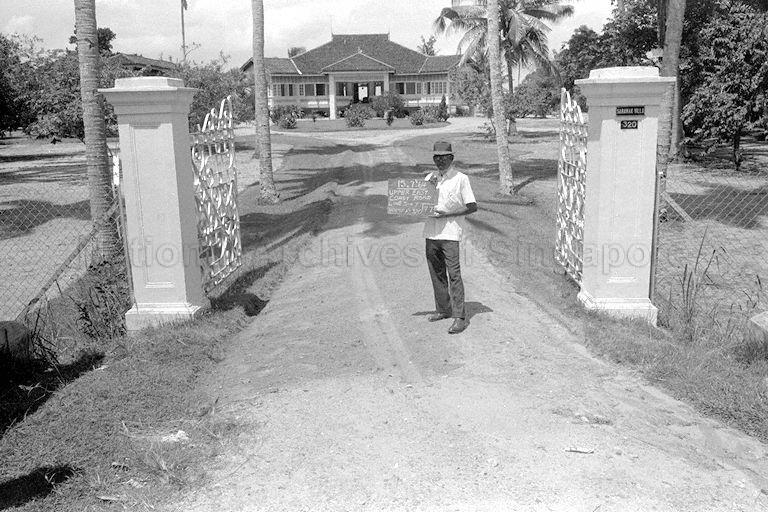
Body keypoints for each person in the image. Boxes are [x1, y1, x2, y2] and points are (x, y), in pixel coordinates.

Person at [424, 141, 478, 334]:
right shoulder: (430, 178)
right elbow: (420, 202)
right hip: (431, 233)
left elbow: (472, 206)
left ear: (451, 158)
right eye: (436, 157)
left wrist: (447, 214)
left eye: (444, 157)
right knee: (436, 272)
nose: (440, 160)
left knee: (453, 274)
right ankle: (443, 309)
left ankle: (459, 317)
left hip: (450, 233)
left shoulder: (460, 178)